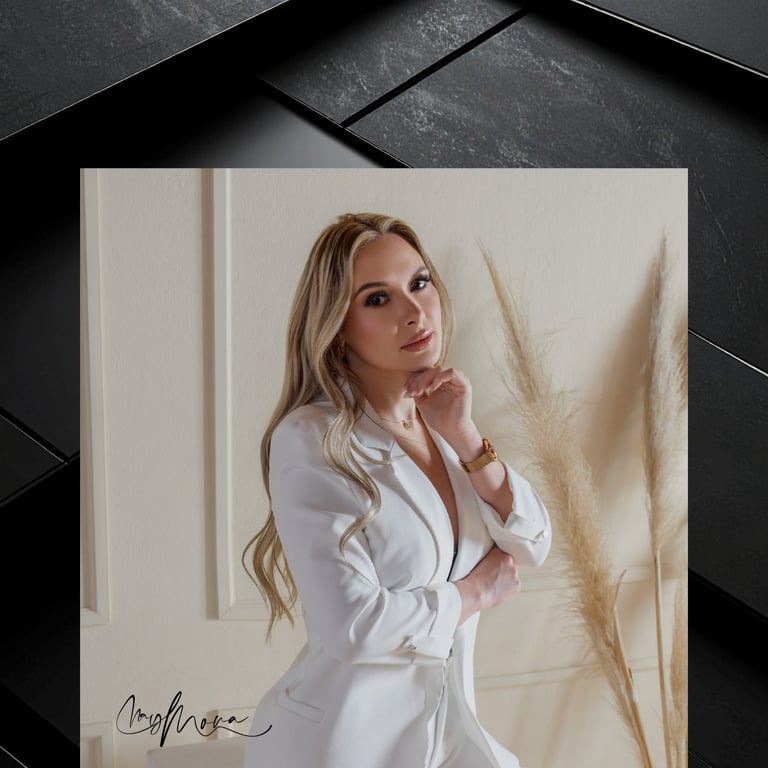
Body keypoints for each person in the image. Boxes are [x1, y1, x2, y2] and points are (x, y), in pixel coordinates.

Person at [241, 213, 552, 768]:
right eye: (378, 299)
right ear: (338, 327)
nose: (414, 312)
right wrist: (475, 593)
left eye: (419, 283)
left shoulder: (440, 422)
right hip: (344, 746)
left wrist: (466, 436)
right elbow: (353, 627)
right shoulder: (310, 440)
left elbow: (533, 544)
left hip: (445, 734)